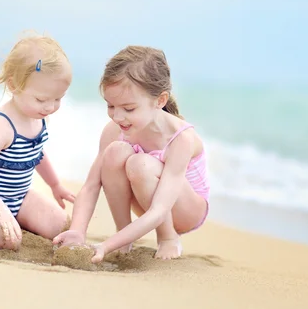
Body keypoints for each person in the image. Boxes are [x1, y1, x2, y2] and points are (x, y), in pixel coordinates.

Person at [53, 45, 209, 262]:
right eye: (110, 106)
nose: (117, 116)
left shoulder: (181, 138)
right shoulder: (115, 131)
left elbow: (159, 209)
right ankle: (124, 235)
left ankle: (168, 237)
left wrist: (106, 246)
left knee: (140, 164)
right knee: (115, 152)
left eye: (128, 109)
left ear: (160, 101)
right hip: (147, 200)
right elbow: (90, 186)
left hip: (185, 211)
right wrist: (78, 230)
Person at [0, 32, 75, 250]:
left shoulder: (38, 117)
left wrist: (55, 185)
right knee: (4, 241)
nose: (50, 107)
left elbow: (37, 154)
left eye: (58, 99)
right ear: (14, 86)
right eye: (42, 99)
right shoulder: (1, 127)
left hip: (19, 196)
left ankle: (18, 219)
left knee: (61, 226)